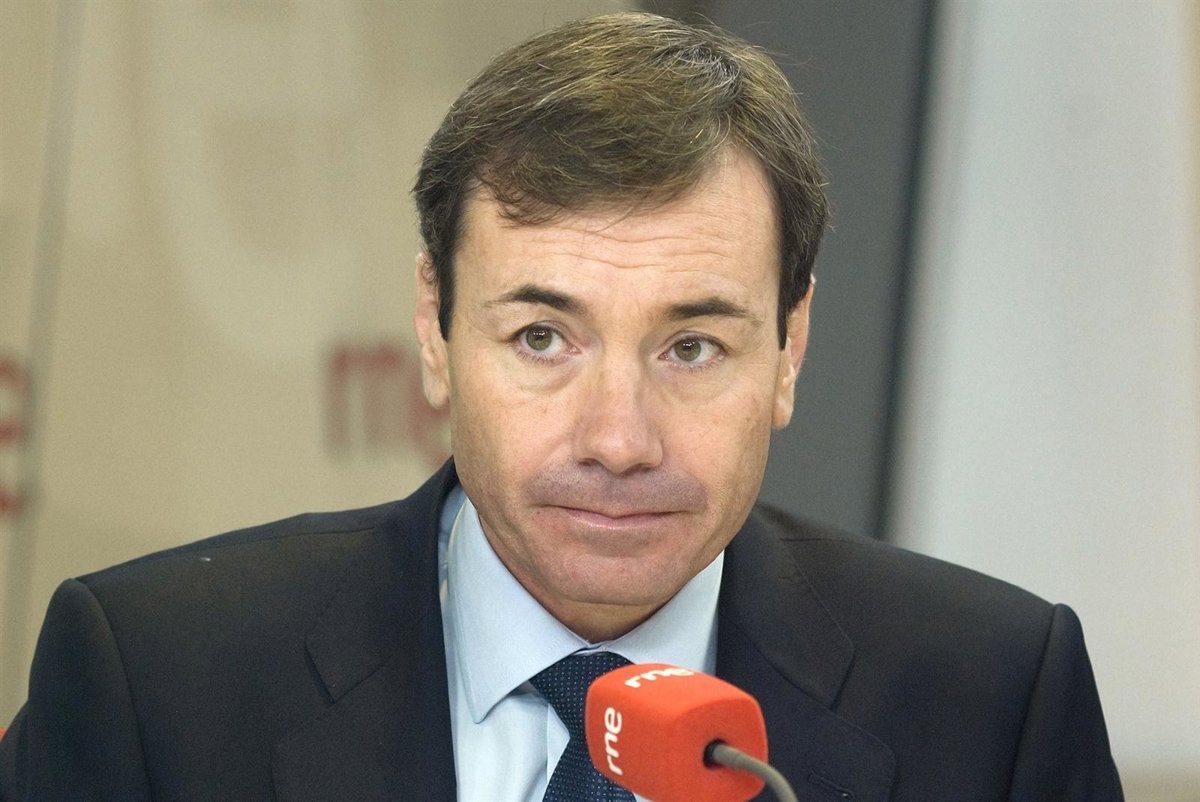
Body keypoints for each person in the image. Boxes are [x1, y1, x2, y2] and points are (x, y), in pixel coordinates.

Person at [0, 12, 1122, 801]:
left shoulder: (992, 701)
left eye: (693, 347)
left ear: (790, 349)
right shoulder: (155, 684)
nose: (619, 440)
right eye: (543, 338)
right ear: (435, 329)